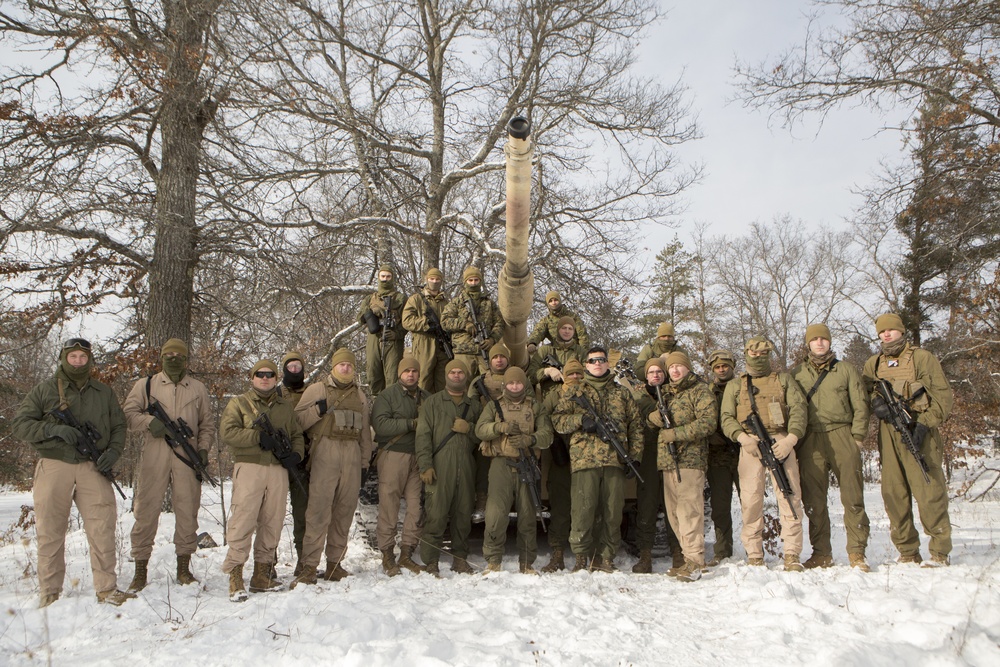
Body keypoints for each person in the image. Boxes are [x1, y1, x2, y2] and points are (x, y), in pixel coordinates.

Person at [12, 337, 134, 607]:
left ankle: (106, 588)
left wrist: (113, 452)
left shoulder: (103, 392)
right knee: (51, 529)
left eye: (82, 357)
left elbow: (119, 426)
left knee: (102, 526)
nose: (78, 361)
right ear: (63, 358)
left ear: (89, 360)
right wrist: (54, 429)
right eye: (73, 357)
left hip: (93, 465)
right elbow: (20, 425)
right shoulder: (44, 391)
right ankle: (50, 591)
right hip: (55, 463)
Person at [123, 338, 216, 591]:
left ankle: (184, 569)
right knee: (146, 510)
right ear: (162, 358)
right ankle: (140, 570)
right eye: (169, 354)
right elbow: (129, 415)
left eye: (179, 355)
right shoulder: (146, 385)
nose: (174, 358)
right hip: (155, 454)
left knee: (187, 510)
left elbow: (206, 425)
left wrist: (204, 449)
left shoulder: (197, 388)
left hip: (188, 455)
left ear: (186, 359)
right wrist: (150, 423)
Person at [862, 313, 954, 567]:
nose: (887, 334)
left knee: (929, 490)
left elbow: (943, 398)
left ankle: (939, 551)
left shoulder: (922, 358)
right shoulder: (874, 363)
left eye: (891, 330)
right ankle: (907, 551)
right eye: (882, 331)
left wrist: (925, 424)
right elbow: (865, 392)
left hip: (920, 429)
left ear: (902, 331)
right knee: (894, 493)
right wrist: (876, 404)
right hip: (889, 434)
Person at [719, 336, 808, 571]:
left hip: (780, 441)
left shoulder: (784, 380)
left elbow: (799, 410)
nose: (758, 358)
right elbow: (726, 418)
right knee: (750, 500)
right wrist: (742, 438)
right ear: (746, 353)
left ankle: (791, 553)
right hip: (751, 445)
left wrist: (791, 439)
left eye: (763, 355)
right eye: (754, 354)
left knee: (789, 496)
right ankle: (754, 553)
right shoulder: (735, 386)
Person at [219, 359, 304, 601]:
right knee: (243, 518)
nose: (265, 378)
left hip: (277, 469)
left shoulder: (285, 407)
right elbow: (228, 432)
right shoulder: (240, 403)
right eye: (260, 374)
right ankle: (235, 574)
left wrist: (296, 454)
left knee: (273, 520)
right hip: (250, 467)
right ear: (252, 377)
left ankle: (262, 574)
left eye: (270, 374)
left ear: (276, 378)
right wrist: (257, 437)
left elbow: (296, 434)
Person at [551, 346, 642, 572]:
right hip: (584, 461)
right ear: (587, 365)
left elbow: (636, 427)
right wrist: (581, 420)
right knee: (582, 510)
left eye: (601, 360)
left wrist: (635, 456)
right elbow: (558, 421)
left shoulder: (622, 393)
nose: (598, 364)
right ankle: (582, 558)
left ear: (608, 364)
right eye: (593, 360)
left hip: (614, 461)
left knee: (612, 512)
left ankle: (607, 557)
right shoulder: (575, 392)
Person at [791, 324, 872, 572]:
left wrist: (857, 437)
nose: (819, 343)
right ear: (808, 344)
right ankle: (821, 553)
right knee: (814, 500)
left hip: (841, 434)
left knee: (853, 497)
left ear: (829, 342)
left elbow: (860, 404)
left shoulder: (845, 370)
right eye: (814, 339)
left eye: (823, 339)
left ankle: (857, 553)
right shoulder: (797, 374)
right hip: (810, 439)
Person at [293, 348, 373, 584]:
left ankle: (334, 564)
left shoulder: (360, 395)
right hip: (324, 453)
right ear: (333, 367)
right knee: (318, 512)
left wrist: (365, 463)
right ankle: (309, 566)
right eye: (341, 365)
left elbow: (365, 435)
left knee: (343, 513)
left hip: (351, 455)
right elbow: (296, 422)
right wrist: (317, 410)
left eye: (349, 365)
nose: (346, 368)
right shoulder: (317, 389)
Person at [647, 351, 717, 581]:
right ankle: (688, 558)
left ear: (687, 368)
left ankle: (695, 561)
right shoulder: (666, 393)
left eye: (679, 366)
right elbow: (653, 419)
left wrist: (675, 434)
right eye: (672, 367)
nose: (675, 371)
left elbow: (708, 423)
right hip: (668, 460)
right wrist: (653, 418)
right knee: (675, 514)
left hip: (690, 460)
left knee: (689, 512)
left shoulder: (700, 391)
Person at [476, 367, 553, 573]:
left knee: (528, 515)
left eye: (518, 383)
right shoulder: (494, 406)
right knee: (495, 514)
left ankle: (527, 563)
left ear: (524, 385)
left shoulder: (536, 407)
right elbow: (479, 429)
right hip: (501, 464)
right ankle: (493, 561)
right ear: (505, 385)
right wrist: (499, 428)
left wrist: (530, 439)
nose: (515, 386)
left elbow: (547, 434)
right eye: (511, 383)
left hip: (526, 464)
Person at [415, 359, 483, 575]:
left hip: (466, 464)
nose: (456, 375)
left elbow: (483, 436)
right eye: (452, 372)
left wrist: (469, 428)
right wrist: (425, 465)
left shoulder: (473, 406)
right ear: (446, 376)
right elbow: (423, 436)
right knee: (436, 514)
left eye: (460, 373)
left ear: (466, 377)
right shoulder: (433, 403)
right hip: (440, 465)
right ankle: (431, 560)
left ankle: (459, 558)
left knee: (463, 515)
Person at [371, 357, 428, 576]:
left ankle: (406, 553)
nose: (411, 374)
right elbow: (381, 424)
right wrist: (411, 424)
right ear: (399, 373)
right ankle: (387, 554)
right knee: (389, 505)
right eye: (407, 371)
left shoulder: (426, 397)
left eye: (414, 371)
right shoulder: (388, 396)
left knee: (416, 507)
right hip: (393, 455)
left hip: (418, 456)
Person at [628, 356, 682, 575]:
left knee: (674, 505)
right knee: (647, 505)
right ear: (646, 376)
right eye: (651, 372)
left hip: (673, 452)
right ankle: (646, 554)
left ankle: (678, 553)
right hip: (648, 453)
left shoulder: (674, 394)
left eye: (659, 372)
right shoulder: (637, 396)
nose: (656, 375)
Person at [537, 358, 585, 572]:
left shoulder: (589, 393)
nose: (575, 377)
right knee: (559, 507)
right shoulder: (554, 395)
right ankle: (557, 553)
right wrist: (554, 442)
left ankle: (583, 555)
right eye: (571, 374)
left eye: (578, 374)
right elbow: (543, 418)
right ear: (564, 375)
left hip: (586, 458)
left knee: (585, 507)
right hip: (561, 457)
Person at [467, 342, 513, 521]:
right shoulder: (480, 382)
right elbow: (471, 406)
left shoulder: (516, 377)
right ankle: (481, 503)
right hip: (488, 430)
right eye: (495, 357)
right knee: (483, 467)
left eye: (502, 357)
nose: (499, 360)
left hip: (512, 429)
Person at [705, 350, 741, 566]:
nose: (721, 369)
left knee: (750, 505)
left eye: (725, 366)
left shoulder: (743, 388)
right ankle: (722, 550)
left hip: (743, 453)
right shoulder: (707, 392)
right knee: (720, 507)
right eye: (717, 367)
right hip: (717, 456)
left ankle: (755, 549)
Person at [277, 351, 311, 571]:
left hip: (304, 460)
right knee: (272, 514)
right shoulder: (275, 392)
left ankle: (304, 560)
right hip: (278, 461)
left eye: (298, 366)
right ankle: (267, 563)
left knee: (303, 514)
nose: (295, 370)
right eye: (291, 367)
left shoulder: (312, 392)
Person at [441, 266, 504, 375]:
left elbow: (499, 323)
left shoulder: (488, 303)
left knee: (489, 385)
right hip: (463, 352)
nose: (473, 283)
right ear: (465, 282)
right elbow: (445, 321)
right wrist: (464, 324)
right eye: (470, 280)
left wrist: (492, 340)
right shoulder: (456, 302)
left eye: (476, 280)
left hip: (484, 351)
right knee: (462, 385)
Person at [357, 264, 405, 396]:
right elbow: (359, 318)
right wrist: (371, 312)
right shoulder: (370, 299)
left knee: (393, 376)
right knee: (373, 373)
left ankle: (392, 405)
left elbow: (407, 322)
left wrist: (397, 334)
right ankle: (376, 404)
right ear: (378, 278)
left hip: (393, 340)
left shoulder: (400, 298)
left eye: (388, 276)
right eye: (383, 276)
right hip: (374, 338)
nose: (385, 279)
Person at [402, 267, 450, 393]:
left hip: (442, 347)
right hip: (423, 344)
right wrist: (425, 323)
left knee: (442, 383)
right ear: (427, 280)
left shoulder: (446, 302)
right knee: (423, 381)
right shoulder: (416, 299)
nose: (434, 281)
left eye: (437, 279)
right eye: (431, 279)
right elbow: (406, 321)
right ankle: (420, 410)